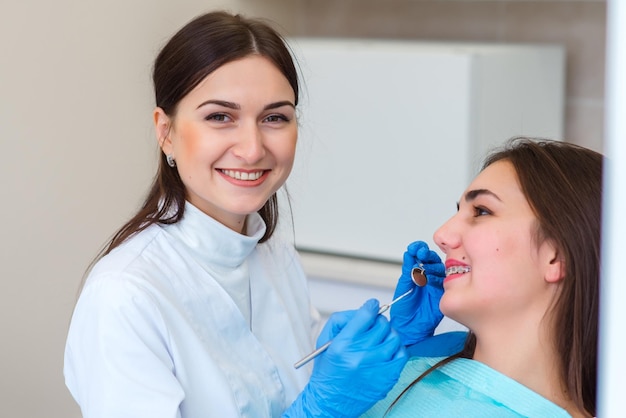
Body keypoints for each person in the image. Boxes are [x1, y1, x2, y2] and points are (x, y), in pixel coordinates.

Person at [63, 10, 454, 418]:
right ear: (166, 132)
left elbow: (296, 386)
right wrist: (318, 410)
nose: (252, 149)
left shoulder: (276, 257)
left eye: (274, 118)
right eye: (220, 117)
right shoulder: (125, 297)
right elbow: (312, 403)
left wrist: (397, 342)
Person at [362, 137, 600, 417]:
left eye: (482, 211)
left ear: (555, 256)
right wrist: (405, 349)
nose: (442, 235)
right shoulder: (413, 369)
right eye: (459, 211)